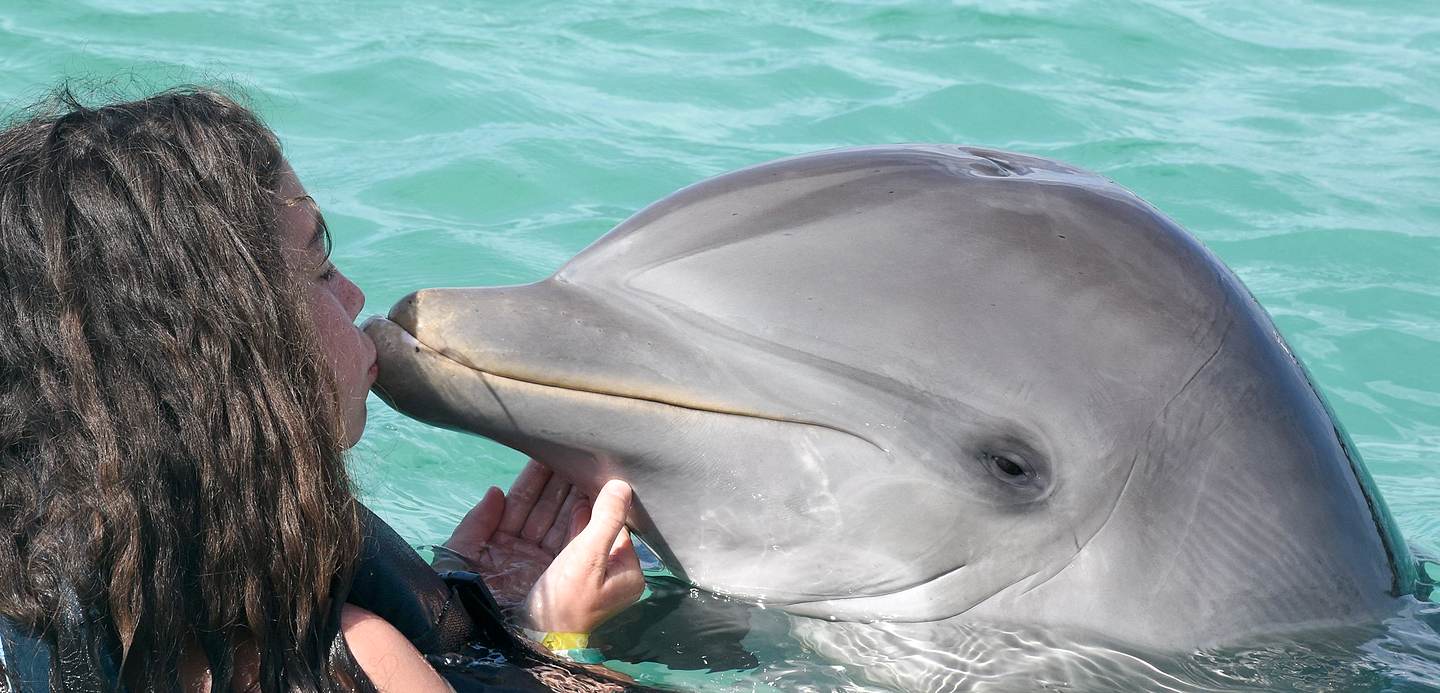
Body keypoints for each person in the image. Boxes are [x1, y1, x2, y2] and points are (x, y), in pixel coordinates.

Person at [0, 87, 644, 691]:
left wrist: (473, 597)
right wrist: (560, 640)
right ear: (230, 344)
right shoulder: (344, 663)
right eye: (321, 268)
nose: (356, 296)